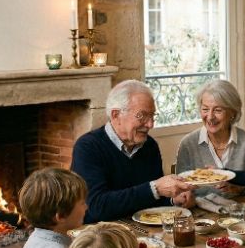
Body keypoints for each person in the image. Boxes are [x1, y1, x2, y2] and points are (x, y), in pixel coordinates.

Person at [71, 80, 194, 223]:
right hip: (100, 235)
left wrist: (173, 199)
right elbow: (97, 207)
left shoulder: (150, 145)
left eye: (152, 116)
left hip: (144, 232)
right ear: (116, 115)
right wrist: (155, 189)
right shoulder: (88, 147)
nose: (150, 124)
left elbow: (153, 201)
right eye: (142, 116)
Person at [175, 79, 245, 197]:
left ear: (232, 113)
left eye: (218, 110)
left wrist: (238, 188)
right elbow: (181, 190)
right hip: (200, 214)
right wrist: (184, 197)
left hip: (240, 212)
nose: (210, 117)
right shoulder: (188, 144)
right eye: (205, 109)